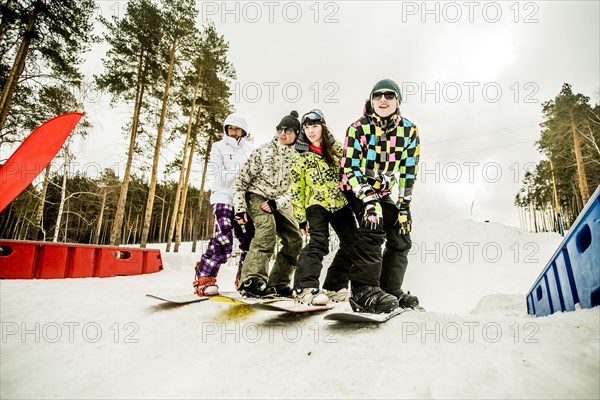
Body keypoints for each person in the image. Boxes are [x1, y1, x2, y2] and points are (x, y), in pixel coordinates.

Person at [340, 79, 420, 313]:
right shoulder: (358, 128)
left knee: (401, 232)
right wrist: (369, 199)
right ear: (371, 101)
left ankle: (389, 289)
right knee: (372, 221)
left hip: (381, 190)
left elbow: (408, 171)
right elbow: (350, 168)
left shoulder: (409, 130)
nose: (383, 100)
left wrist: (404, 206)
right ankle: (363, 290)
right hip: (355, 186)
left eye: (389, 95)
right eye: (378, 96)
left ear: (398, 101)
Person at [233, 111, 303, 298]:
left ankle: (279, 283)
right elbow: (240, 182)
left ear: (297, 133)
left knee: (295, 239)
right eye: (280, 129)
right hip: (255, 195)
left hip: (276, 201)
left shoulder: (299, 157)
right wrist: (240, 208)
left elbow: (295, 189)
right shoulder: (263, 151)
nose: (282, 133)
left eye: (288, 130)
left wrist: (277, 203)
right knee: (267, 228)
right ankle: (252, 280)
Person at [290, 109, 357, 305]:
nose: (311, 131)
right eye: (307, 127)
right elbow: (297, 188)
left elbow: (349, 174)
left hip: (339, 203)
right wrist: (301, 217)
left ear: (323, 127)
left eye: (315, 126)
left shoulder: (337, 150)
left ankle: (335, 286)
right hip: (315, 204)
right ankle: (305, 287)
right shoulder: (301, 155)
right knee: (319, 242)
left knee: (352, 241)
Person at [193, 113, 255, 296]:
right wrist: (243, 173)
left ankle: (245, 278)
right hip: (223, 197)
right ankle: (204, 276)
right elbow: (219, 174)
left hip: (243, 201)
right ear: (226, 130)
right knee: (224, 238)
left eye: (237, 129)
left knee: (249, 241)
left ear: (243, 131)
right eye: (230, 128)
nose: (233, 132)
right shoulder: (218, 147)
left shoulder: (250, 149)